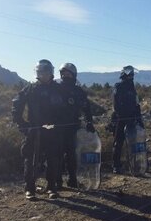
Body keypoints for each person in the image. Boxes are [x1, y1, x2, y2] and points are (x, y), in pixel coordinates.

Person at [12, 59, 64, 200]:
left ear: (50, 73)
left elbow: (64, 108)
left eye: (45, 71)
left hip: (52, 130)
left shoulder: (57, 89)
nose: (43, 74)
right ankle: (30, 188)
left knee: (53, 159)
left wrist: (61, 125)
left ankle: (52, 187)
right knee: (30, 158)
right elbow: (17, 104)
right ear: (37, 73)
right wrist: (22, 124)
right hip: (34, 129)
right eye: (40, 72)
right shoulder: (31, 88)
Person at [57, 63, 95, 189]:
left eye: (68, 74)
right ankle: (56, 181)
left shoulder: (79, 91)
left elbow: (86, 108)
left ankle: (72, 179)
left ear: (73, 75)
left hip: (73, 127)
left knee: (71, 154)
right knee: (56, 154)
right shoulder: (56, 88)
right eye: (63, 74)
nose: (65, 76)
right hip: (57, 127)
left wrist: (89, 121)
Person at [111, 65, 143, 174]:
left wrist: (139, 118)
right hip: (121, 118)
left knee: (133, 142)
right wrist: (121, 116)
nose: (131, 76)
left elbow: (136, 103)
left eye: (132, 74)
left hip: (132, 118)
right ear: (124, 75)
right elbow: (116, 105)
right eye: (130, 74)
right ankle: (116, 165)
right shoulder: (119, 87)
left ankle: (134, 163)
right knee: (118, 142)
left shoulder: (132, 88)